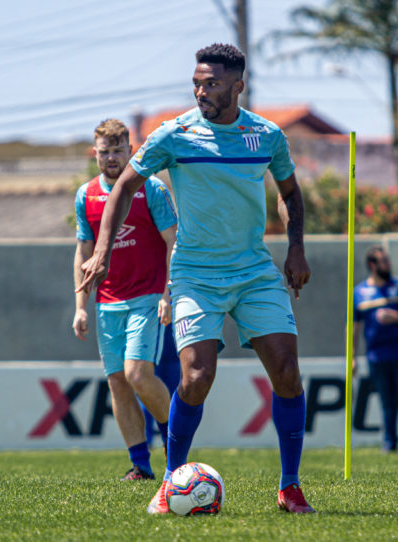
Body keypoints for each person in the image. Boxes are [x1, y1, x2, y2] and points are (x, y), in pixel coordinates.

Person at [77, 43, 315, 514]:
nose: (201, 91)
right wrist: (101, 250)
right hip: (195, 275)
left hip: (254, 271)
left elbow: (290, 192)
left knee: (288, 372)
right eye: (196, 83)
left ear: (238, 86)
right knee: (196, 377)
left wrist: (296, 248)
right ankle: (170, 482)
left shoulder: (266, 135)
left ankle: (289, 486)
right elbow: (124, 186)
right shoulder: (175, 134)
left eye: (212, 84)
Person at [72, 118, 177, 480]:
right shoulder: (86, 195)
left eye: (118, 151)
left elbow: (173, 242)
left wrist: (167, 293)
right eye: (105, 152)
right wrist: (80, 307)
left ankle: (176, 446)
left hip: (147, 297)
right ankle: (140, 465)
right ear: (95, 154)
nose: (111, 158)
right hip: (107, 302)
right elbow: (83, 251)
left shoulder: (151, 189)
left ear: (131, 151)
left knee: (138, 374)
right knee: (118, 381)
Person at [353, 245, 398, 453]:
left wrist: (397, 317)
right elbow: (354, 327)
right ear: (372, 265)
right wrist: (352, 357)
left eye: (388, 260)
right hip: (376, 356)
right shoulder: (359, 293)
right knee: (387, 401)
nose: (388, 264)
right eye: (383, 261)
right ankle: (390, 443)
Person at [141, 324, 181, 448]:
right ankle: (146, 441)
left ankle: (174, 441)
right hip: (151, 355)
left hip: (173, 356)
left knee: (175, 400)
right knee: (147, 396)